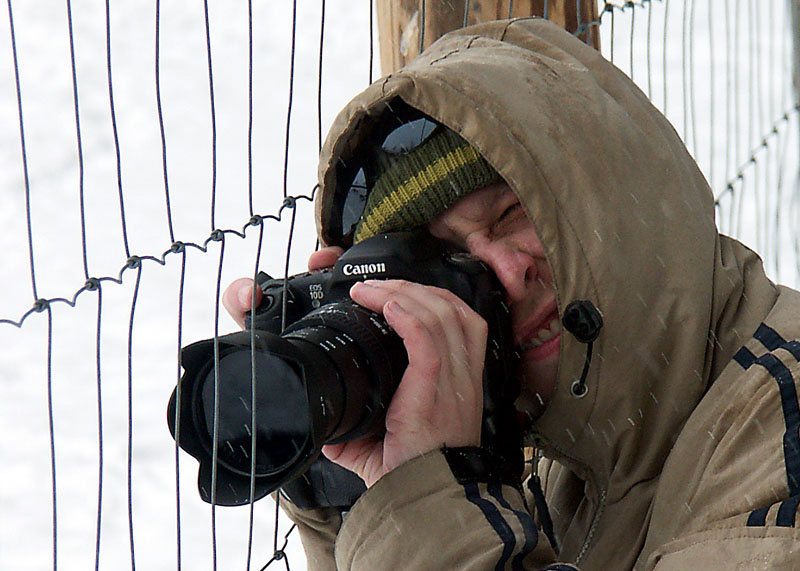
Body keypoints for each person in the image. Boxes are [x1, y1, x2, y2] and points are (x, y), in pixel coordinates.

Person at [223, 17, 800, 570]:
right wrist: (352, 494)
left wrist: (433, 514)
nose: (502, 271)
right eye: (453, 262)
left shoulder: (778, 424)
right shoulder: (559, 447)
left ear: (617, 191)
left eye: (513, 213)